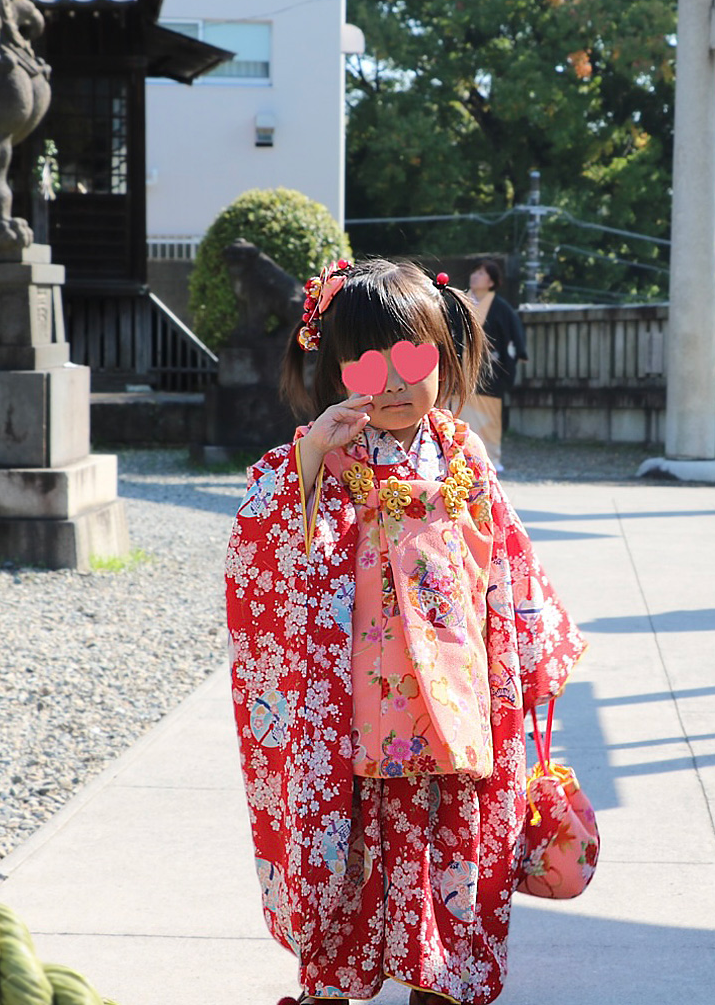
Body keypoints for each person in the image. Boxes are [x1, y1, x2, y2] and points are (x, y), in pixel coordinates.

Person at [225, 257, 586, 1005]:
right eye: (366, 362)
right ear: (331, 365)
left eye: (411, 359)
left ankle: (441, 978)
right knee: (352, 837)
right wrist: (312, 457)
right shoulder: (321, 451)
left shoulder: (463, 455)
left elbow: (507, 564)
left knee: (452, 835)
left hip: (456, 699)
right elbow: (261, 544)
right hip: (357, 703)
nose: (391, 382)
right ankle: (332, 978)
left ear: (446, 355)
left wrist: (532, 644)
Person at [464, 259, 527, 471]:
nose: (475, 276)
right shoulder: (461, 302)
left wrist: (518, 351)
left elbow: (513, 332)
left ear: (492, 282)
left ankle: (491, 457)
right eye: (475, 272)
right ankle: (459, 456)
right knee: (461, 413)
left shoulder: (501, 307)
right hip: (463, 367)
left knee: (488, 415)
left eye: (481, 273)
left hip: (490, 369)